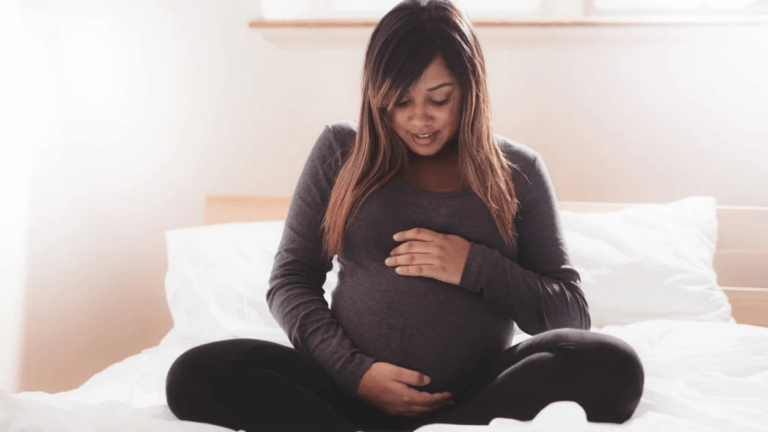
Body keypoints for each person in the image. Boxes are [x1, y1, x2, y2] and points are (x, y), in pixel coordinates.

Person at [164, 1, 645, 431]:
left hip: (476, 396)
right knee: (195, 374)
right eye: (400, 100)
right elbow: (290, 281)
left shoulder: (517, 170)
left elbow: (570, 312)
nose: (419, 119)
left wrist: (473, 266)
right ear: (377, 94)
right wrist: (355, 372)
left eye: (439, 99)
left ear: (469, 91)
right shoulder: (340, 151)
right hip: (345, 392)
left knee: (611, 363)